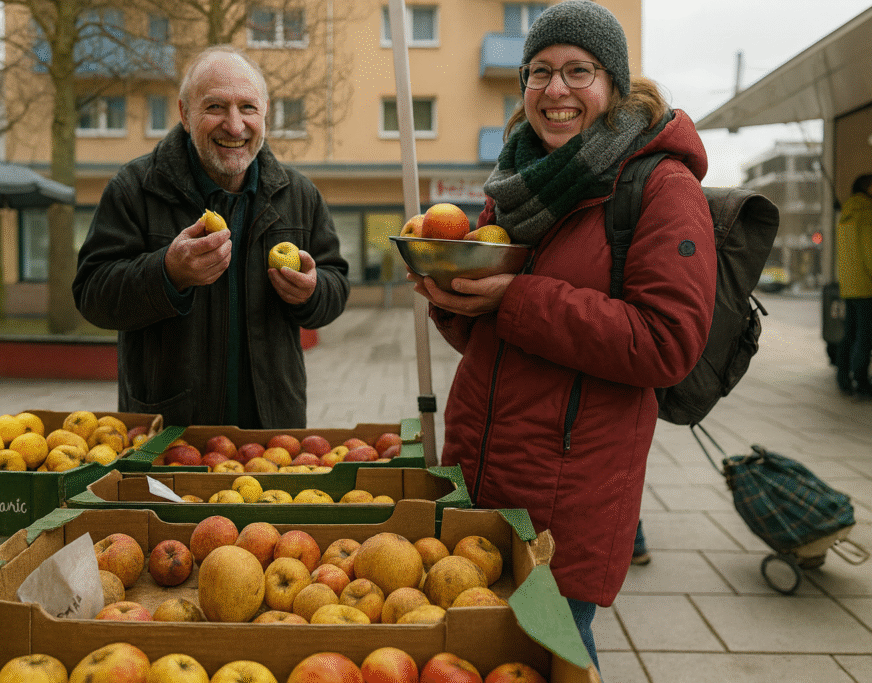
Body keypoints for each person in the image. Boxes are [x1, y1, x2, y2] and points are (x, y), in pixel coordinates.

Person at [407, 1, 716, 674]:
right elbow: (499, 343)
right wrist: (452, 299)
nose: (556, 89)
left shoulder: (660, 186)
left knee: (554, 655)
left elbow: (667, 342)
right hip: (482, 469)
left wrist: (515, 297)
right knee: (488, 655)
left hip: (568, 491)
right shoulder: (519, 183)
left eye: (579, 70)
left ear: (615, 84)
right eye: (540, 71)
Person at [73, 45, 349, 429]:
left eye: (248, 108)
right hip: (170, 431)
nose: (234, 126)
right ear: (185, 114)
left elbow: (336, 283)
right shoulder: (134, 189)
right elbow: (92, 294)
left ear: (265, 113)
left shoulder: (299, 195)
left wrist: (313, 292)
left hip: (272, 431)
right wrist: (167, 273)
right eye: (215, 107)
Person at [835, 173, 872, 399]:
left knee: (849, 334)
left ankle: (842, 378)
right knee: (865, 337)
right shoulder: (866, 212)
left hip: (849, 285)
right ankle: (862, 382)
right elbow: (869, 251)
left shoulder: (847, 213)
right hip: (866, 286)